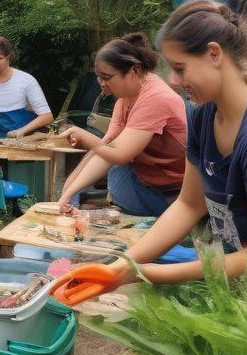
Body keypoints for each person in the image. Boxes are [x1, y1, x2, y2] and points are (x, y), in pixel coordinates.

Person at [104, 1, 247, 287]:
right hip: (242, 282)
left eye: (180, 68)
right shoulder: (204, 114)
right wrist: (122, 265)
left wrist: (149, 274)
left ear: (214, 53)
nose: (174, 80)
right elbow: (189, 205)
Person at [58, 32, 187, 217]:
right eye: (98, 76)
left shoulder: (155, 98)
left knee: (118, 171)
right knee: (114, 169)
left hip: (172, 190)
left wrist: (84, 136)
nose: (101, 83)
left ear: (134, 71)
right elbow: (104, 150)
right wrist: (67, 192)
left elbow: (118, 155)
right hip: (147, 178)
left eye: (107, 77)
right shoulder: (124, 99)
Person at [0, 36, 53, 138]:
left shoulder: (26, 80)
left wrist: (21, 131)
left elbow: (47, 117)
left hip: (26, 139)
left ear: (8, 57)